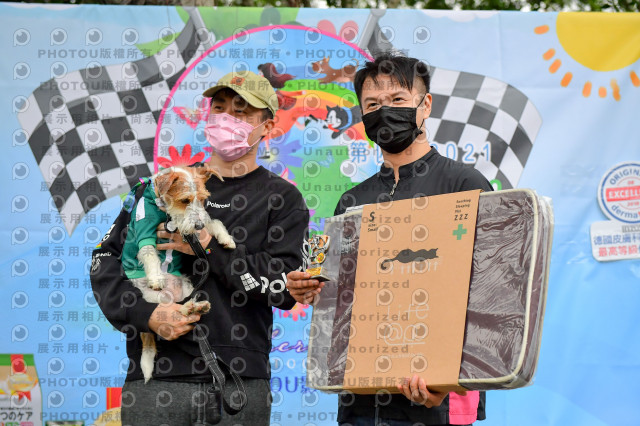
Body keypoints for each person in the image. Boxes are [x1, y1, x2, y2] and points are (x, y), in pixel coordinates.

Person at [92, 70, 309, 426]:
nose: (226, 118)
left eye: (241, 111)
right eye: (219, 108)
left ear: (267, 126)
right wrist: (146, 315)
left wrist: (208, 247)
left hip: (239, 382)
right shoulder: (159, 187)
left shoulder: (283, 199)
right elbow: (104, 260)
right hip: (156, 379)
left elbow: (283, 288)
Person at [286, 53, 492, 426]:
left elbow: (488, 293)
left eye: (397, 100)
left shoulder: (465, 185)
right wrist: (311, 290)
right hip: (362, 397)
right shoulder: (352, 201)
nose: (385, 112)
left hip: (438, 399)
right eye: (372, 105)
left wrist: (448, 381)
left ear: (425, 104)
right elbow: (341, 301)